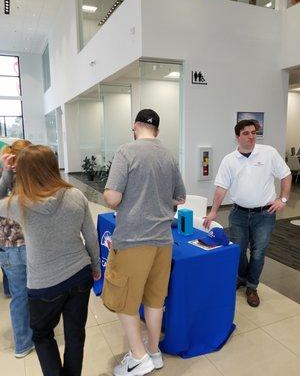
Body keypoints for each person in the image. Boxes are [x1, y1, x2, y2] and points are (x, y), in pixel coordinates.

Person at [0, 145, 100, 376]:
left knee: (43, 334)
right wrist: (95, 267)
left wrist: (7, 173)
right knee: (75, 334)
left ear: (23, 172)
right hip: (80, 275)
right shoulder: (76, 195)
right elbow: (91, 236)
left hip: (44, 284)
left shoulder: (19, 204)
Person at [102, 109, 186, 376]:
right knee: (154, 299)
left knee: (123, 300)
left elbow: (112, 198)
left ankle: (139, 357)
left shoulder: (126, 152)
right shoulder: (170, 155)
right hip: (163, 240)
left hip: (133, 239)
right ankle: (153, 350)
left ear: (135, 127)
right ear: (157, 131)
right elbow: (180, 198)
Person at [204, 119, 292, 307]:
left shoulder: (268, 153)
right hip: (238, 214)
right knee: (239, 250)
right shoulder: (229, 160)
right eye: (246, 133)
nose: (251, 136)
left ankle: (252, 286)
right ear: (237, 137)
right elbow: (221, 188)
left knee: (259, 252)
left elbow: (286, 174)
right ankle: (242, 277)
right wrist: (212, 213)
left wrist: (282, 199)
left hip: (265, 214)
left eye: (254, 132)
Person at [0, 139, 34, 358]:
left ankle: (22, 343)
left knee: (19, 296)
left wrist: (5, 171)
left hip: (8, 248)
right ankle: (39, 334)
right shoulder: (32, 180)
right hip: (31, 246)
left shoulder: (5, 180)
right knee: (36, 293)